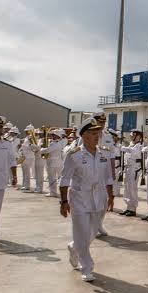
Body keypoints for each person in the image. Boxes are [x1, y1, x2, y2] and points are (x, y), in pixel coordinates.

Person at [59, 117, 115, 282]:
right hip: (79, 198)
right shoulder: (74, 155)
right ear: (83, 135)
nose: (97, 136)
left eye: (97, 132)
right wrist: (63, 202)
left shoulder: (104, 152)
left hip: (99, 198)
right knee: (82, 232)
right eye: (92, 133)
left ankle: (74, 247)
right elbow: (64, 179)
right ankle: (87, 267)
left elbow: (108, 177)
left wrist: (111, 196)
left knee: (92, 231)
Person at [120, 129, 144, 217]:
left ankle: (133, 208)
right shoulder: (131, 145)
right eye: (132, 135)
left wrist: (124, 148)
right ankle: (129, 207)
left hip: (134, 169)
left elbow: (133, 152)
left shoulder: (139, 146)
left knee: (132, 189)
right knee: (127, 189)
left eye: (135, 135)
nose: (133, 137)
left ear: (139, 137)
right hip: (128, 168)